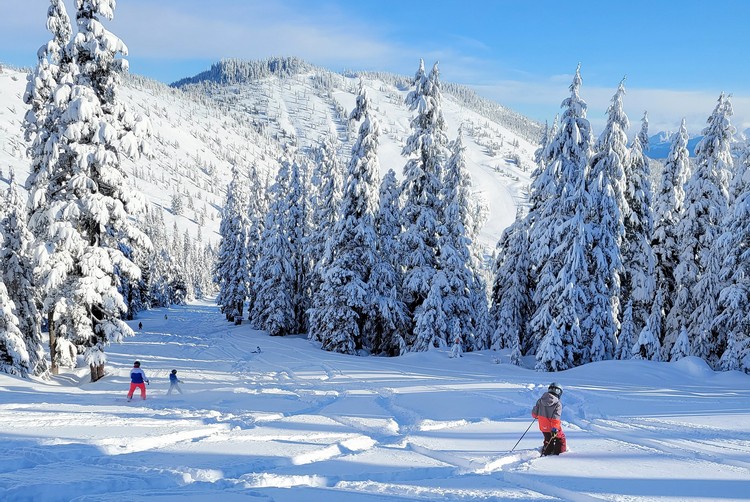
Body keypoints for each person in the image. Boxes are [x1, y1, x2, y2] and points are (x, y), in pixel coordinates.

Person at [531, 382, 567, 455]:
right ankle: (560, 453)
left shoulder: (540, 400)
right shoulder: (557, 403)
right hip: (553, 427)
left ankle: (547, 452)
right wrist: (554, 429)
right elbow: (556, 418)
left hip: (543, 426)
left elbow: (534, 414)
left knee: (548, 439)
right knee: (560, 438)